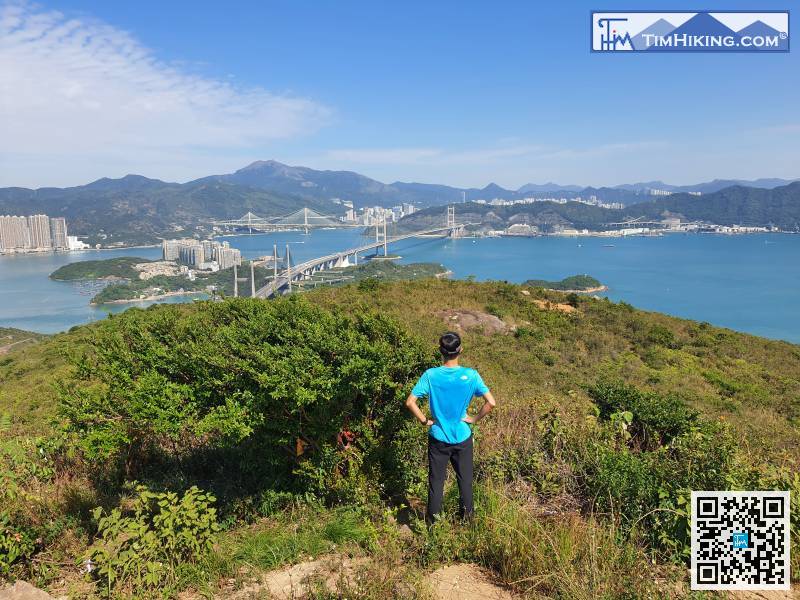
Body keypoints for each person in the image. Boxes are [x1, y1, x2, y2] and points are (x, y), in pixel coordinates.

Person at [404, 331, 496, 524]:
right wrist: (474, 418)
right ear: (460, 350)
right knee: (465, 481)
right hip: (462, 437)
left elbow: (410, 402)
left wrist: (424, 421)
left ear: (440, 351)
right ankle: (467, 521)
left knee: (436, 483)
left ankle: (432, 526)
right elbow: (491, 403)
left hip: (438, 437)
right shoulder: (471, 375)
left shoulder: (431, 375)